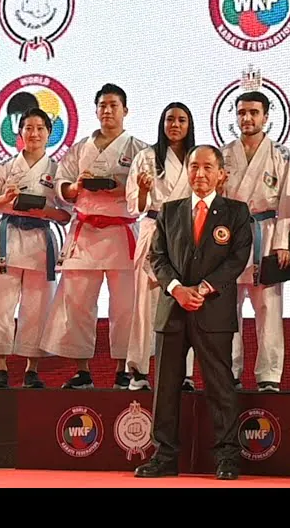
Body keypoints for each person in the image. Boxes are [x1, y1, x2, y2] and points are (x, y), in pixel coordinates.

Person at [134, 145, 253, 480]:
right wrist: (177, 289)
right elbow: (158, 257)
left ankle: (227, 457)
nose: (200, 174)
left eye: (207, 167)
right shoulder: (170, 211)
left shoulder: (236, 212)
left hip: (212, 310)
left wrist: (203, 288)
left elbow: (237, 258)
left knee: (220, 385)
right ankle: (164, 456)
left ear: (221, 174)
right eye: (194, 167)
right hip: (173, 309)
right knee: (166, 387)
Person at [41, 84, 149, 389]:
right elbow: (61, 184)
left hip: (122, 232)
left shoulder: (139, 149)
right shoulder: (80, 148)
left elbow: (150, 190)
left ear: (125, 110)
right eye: (102, 105)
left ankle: (123, 370)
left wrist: (121, 187)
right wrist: (74, 188)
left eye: (114, 105)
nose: (107, 111)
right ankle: (82, 371)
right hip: (85, 232)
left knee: (126, 306)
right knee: (77, 303)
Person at [0, 108, 72, 389]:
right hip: (7, 239)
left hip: (40, 242)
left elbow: (67, 213)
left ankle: (31, 369)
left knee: (38, 307)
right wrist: (5, 199)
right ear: (20, 133)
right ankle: (0, 368)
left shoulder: (58, 172)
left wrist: (45, 211)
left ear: (49, 134)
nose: (34, 133)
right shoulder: (3, 169)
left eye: (40, 128)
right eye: (28, 128)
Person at [220, 91, 290, 391]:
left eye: (253, 112)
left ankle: (269, 375)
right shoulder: (224, 154)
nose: (247, 118)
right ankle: (230, 371)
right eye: (241, 113)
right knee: (229, 308)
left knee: (268, 307)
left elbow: (289, 200)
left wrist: (283, 243)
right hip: (231, 236)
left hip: (267, 232)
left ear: (266, 117)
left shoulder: (281, 154)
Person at [125, 102, 198, 392]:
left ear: (189, 125)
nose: (175, 125)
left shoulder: (196, 158)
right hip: (153, 228)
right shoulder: (146, 157)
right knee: (145, 303)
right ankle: (139, 370)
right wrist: (144, 191)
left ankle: (185, 373)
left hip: (186, 232)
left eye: (181, 120)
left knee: (184, 302)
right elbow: (134, 205)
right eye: (170, 119)